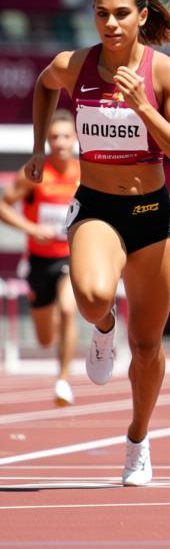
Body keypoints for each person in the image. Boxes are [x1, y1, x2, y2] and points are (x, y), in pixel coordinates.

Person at [24, 0, 170, 486]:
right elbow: (43, 85)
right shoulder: (74, 66)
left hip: (153, 217)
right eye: (101, 13)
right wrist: (39, 146)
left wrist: (144, 106)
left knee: (147, 348)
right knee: (93, 297)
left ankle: (138, 440)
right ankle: (103, 332)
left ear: (142, 16)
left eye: (121, 13)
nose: (111, 23)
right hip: (98, 206)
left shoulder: (165, 73)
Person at [0, 110, 81, 406]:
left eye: (66, 136)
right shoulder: (35, 171)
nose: (60, 142)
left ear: (75, 139)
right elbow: (3, 206)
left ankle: (63, 380)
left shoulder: (84, 173)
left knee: (70, 309)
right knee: (45, 338)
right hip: (38, 260)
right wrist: (32, 228)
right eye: (54, 137)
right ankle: (57, 331)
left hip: (70, 257)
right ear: (47, 140)